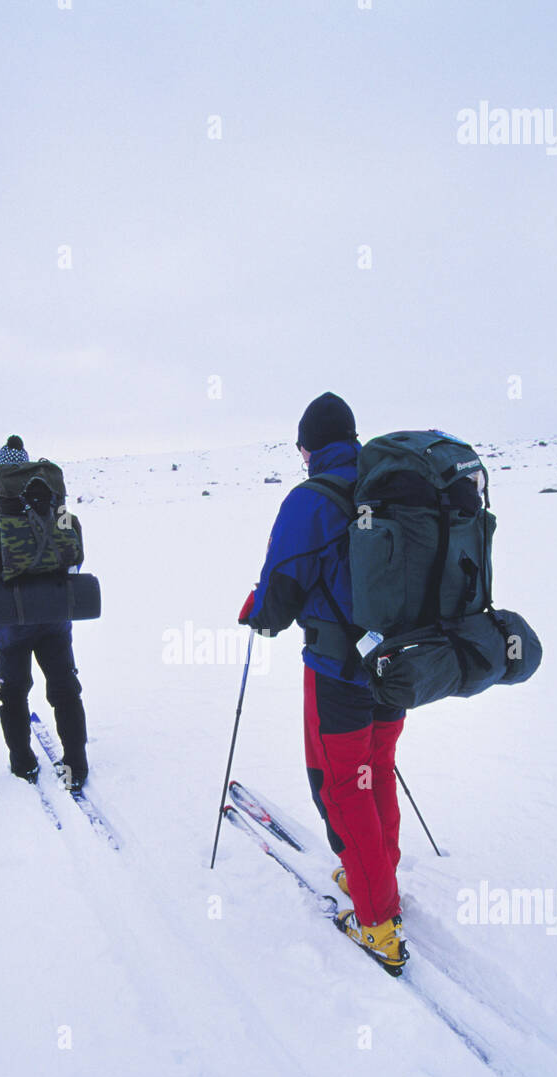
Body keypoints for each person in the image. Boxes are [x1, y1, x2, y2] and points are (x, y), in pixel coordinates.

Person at [238, 393, 408, 973]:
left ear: (310, 447)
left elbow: (279, 594)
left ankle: (377, 917)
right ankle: (376, 871)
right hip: (397, 665)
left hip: (339, 672)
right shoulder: (388, 486)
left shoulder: (310, 500)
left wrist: (257, 611)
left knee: (343, 785)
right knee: (375, 768)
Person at [0, 436, 89, 788]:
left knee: (13, 691)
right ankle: (77, 761)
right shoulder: (53, 501)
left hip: (9, 620)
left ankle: (23, 763)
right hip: (55, 614)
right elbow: (73, 554)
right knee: (64, 688)